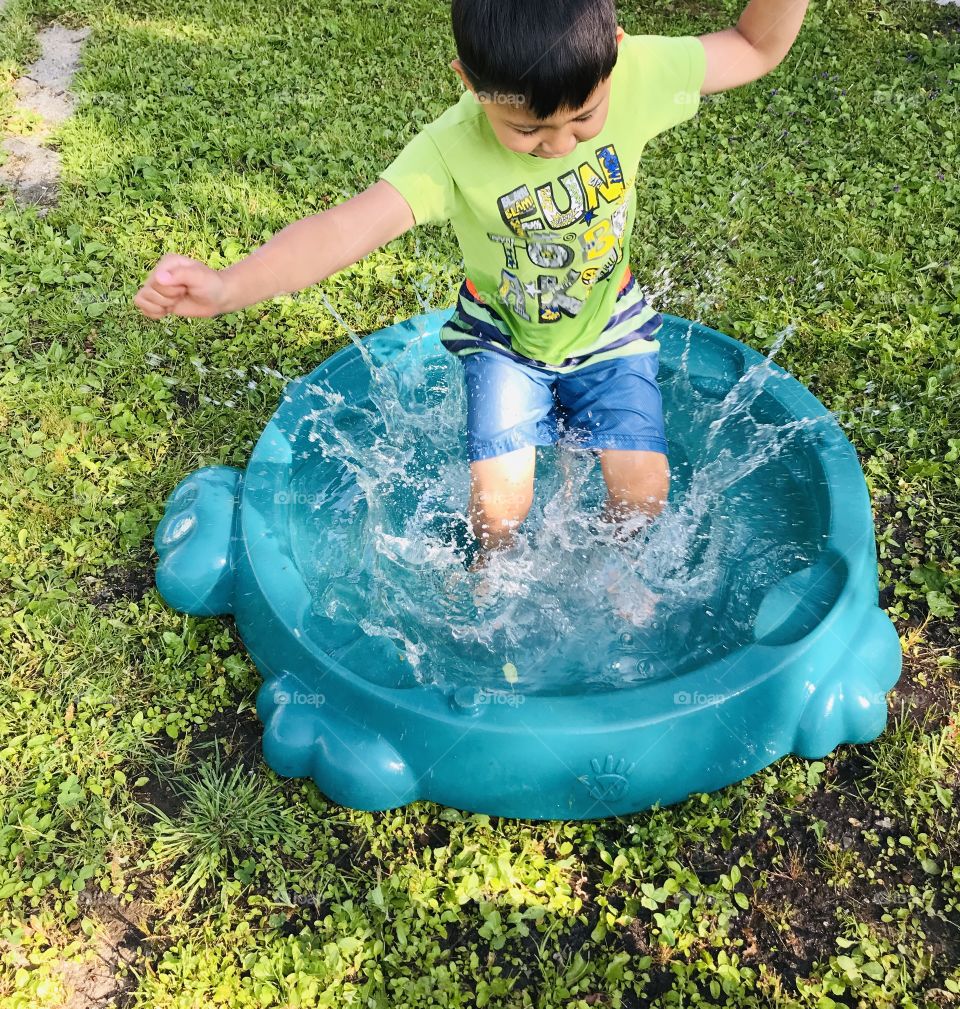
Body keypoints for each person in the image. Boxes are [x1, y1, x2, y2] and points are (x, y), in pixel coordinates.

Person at [133, 0, 808, 571]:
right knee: (499, 506)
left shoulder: (635, 73)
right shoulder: (450, 151)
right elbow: (342, 230)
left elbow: (754, 45)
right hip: (505, 337)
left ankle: (613, 575)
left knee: (643, 493)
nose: (559, 144)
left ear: (615, 54)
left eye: (584, 117)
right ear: (471, 83)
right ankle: (492, 570)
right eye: (527, 128)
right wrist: (228, 286)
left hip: (611, 326)